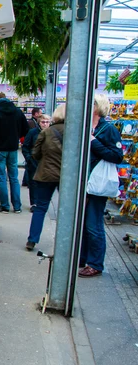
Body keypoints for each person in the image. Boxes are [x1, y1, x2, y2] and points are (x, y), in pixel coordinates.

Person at [79, 94, 124, 277]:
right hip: (84, 183)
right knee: (82, 224)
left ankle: (95, 264)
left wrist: (94, 142)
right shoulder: (88, 127)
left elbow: (117, 156)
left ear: (97, 107)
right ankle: (82, 257)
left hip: (98, 185)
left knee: (93, 224)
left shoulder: (108, 130)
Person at [25, 107, 64, 251]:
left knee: (40, 208)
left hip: (45, 174)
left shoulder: (47, 132)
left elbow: (35, 153)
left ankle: (32, 240)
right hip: (65, 176)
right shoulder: (73, 132)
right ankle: (64, 244)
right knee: (65, 208)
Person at [0, 92, 29, 213]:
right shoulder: (17, 112)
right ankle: (17, 206)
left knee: (2, 178)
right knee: (14, 178)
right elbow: (26, 129)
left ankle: (5, 206)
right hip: (13, 149)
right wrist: (15, 135)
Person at [22, 114, 51, 212]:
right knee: (33, 183)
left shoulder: (52, 133)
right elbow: (25, 146)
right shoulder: (33, 132)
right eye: (43, 122)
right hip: (34, 162)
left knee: (45, 183)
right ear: (39, 122)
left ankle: (41, 201)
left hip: (47, 163)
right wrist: (28, 158)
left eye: (47, 122)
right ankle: (34, 203)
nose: (45, 124)